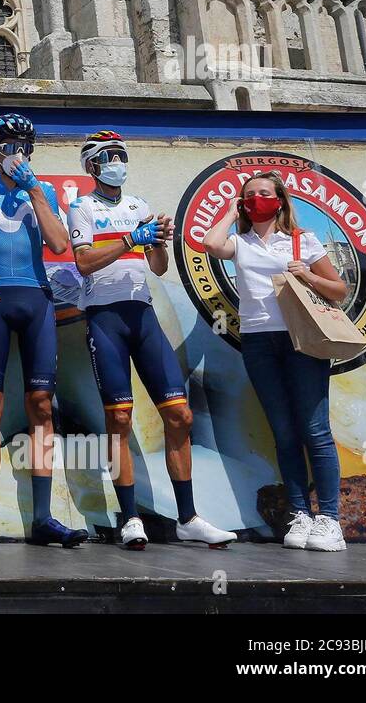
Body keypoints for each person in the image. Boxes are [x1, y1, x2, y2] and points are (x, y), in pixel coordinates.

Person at [67, 131, 235, 549]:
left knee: (180, 416)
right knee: (119, 419)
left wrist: (159, 240)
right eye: (108, 156)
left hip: (142, 315)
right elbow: (84, 263)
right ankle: (129, 518)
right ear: (91, 166)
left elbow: (157, 268)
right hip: (105, 318)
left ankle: (188, 517)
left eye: (121, 154)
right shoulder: (82, 207)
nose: (116, 161)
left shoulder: (138, 204)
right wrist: (129, 240)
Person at [0, 114, 88, 548]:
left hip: (36, 299)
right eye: (9, 145)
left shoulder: (42, 190)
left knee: (41, 404)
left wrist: (32, 190)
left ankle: (44, 517)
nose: (17, 153)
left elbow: (61, 245)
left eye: (24, 145)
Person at [202, 170, 348, 552]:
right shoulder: (241, 242)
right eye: (249, 196)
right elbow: (210, 244)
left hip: (302, 338)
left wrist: (308, 276)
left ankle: (330, 519)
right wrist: (233, 213)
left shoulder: (302, 240)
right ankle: (299, 513)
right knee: (283, 432)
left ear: (280, 200)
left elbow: (340, 289)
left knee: (314, 430)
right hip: (257, 340)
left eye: (264, 193)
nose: (255, 200)